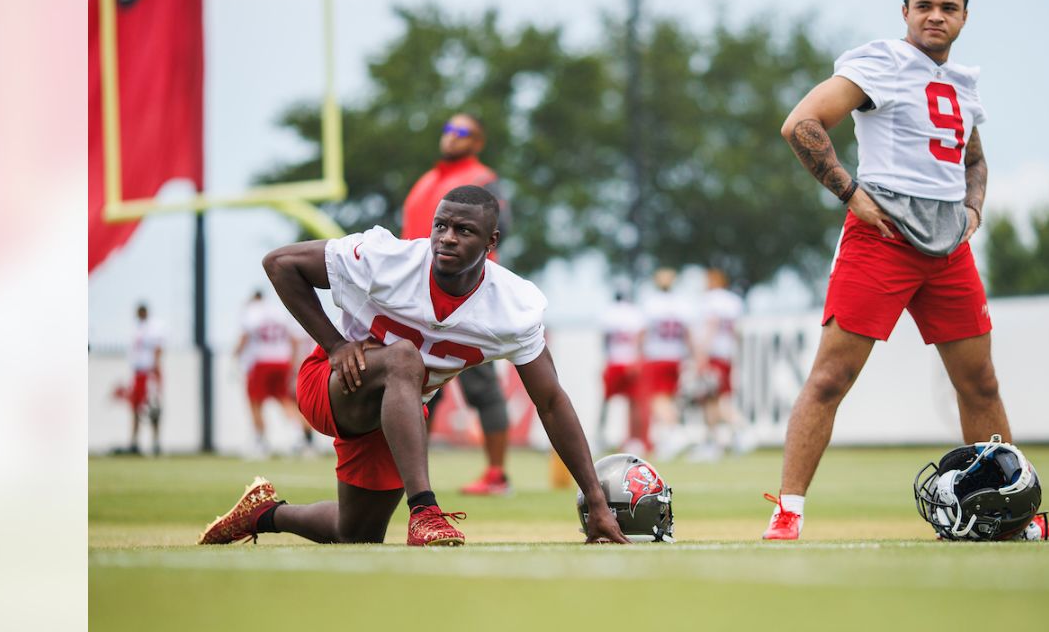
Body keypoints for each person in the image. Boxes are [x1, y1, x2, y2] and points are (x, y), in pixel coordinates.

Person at [762, 0, 1049, 541]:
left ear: (964, 18)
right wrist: (851, 194)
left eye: (948, 7)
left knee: (980, 383)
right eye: (924, 5)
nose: (936, 15)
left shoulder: (963, 81)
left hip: (948, 246)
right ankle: (788, 511)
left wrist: (973, 210)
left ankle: (1010, 517)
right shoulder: (879, 61)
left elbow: (974, 159)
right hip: (882, 239)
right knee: (831, 377)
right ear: (904, 11)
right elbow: (800, 123)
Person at [199, 186, 627, 546]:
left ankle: (264, 514)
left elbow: (550, 401)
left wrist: (595, 498)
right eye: (441, 225)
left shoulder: (512, 307)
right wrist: (333, 345)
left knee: (357, 534)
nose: (447, 238)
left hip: (395, 414)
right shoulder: (389, 259)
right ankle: (424, 510)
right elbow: (280, 263)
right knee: (404, 357)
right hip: (331, 383)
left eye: (464, 230)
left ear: (491, 242)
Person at [402, 112, 513, 496]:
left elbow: (503, 230)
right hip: (421, 297)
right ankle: (414, 474)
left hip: (469, 296)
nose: (451, 136)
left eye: (462, 131)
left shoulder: (484, 178)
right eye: (447, 129)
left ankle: (497, 476)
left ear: (478, 141)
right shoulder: (425, 182)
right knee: (418, 384)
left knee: (482, 385)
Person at [234, 290, 314, 457]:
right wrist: (292, 361)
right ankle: (299, 437)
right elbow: (295, 338)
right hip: (282, 361)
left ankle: (259, 442)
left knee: (255, 403)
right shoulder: (279, 312)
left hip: (261, 361)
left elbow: (244, 337)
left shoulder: (252, 312)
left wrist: (235, 356)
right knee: (285, 400)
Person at [688, 267, 749, 461]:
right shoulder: (733, 301)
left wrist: (701, 356)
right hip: (727, 355)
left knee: (711, 400)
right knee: (718, 399)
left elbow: (711, 327)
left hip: (713, 355)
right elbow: (737, 332)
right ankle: (719, 440)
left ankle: (739, 431)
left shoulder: (710, 301)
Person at [639, 267, 691, 458]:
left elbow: (642, 333)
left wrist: (638, 354)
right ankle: (667, 440)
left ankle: (675, 432)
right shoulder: (680, 304)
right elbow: (688, 334)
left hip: (657, 356)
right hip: (676, 356)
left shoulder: (651, 304)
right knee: (668, 399)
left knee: (657, 400)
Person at [596, 290, 648, 454]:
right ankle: (635, 440)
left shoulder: (608, 313)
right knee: (634, 404)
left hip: (614, 361)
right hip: (631, 362)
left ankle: (600, 436)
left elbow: (604, 340)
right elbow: (641, 338)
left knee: (606, 402)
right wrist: (638, 359)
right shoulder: (635, 313)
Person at [120, 303, 163, 456]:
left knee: (153, 409)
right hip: (137, 374)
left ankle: (156, 442)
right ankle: (134, 442)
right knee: (135, 408)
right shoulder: (136, 329)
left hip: (149, 373)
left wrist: (155, 370)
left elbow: (158, 349)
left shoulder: (154, 328)